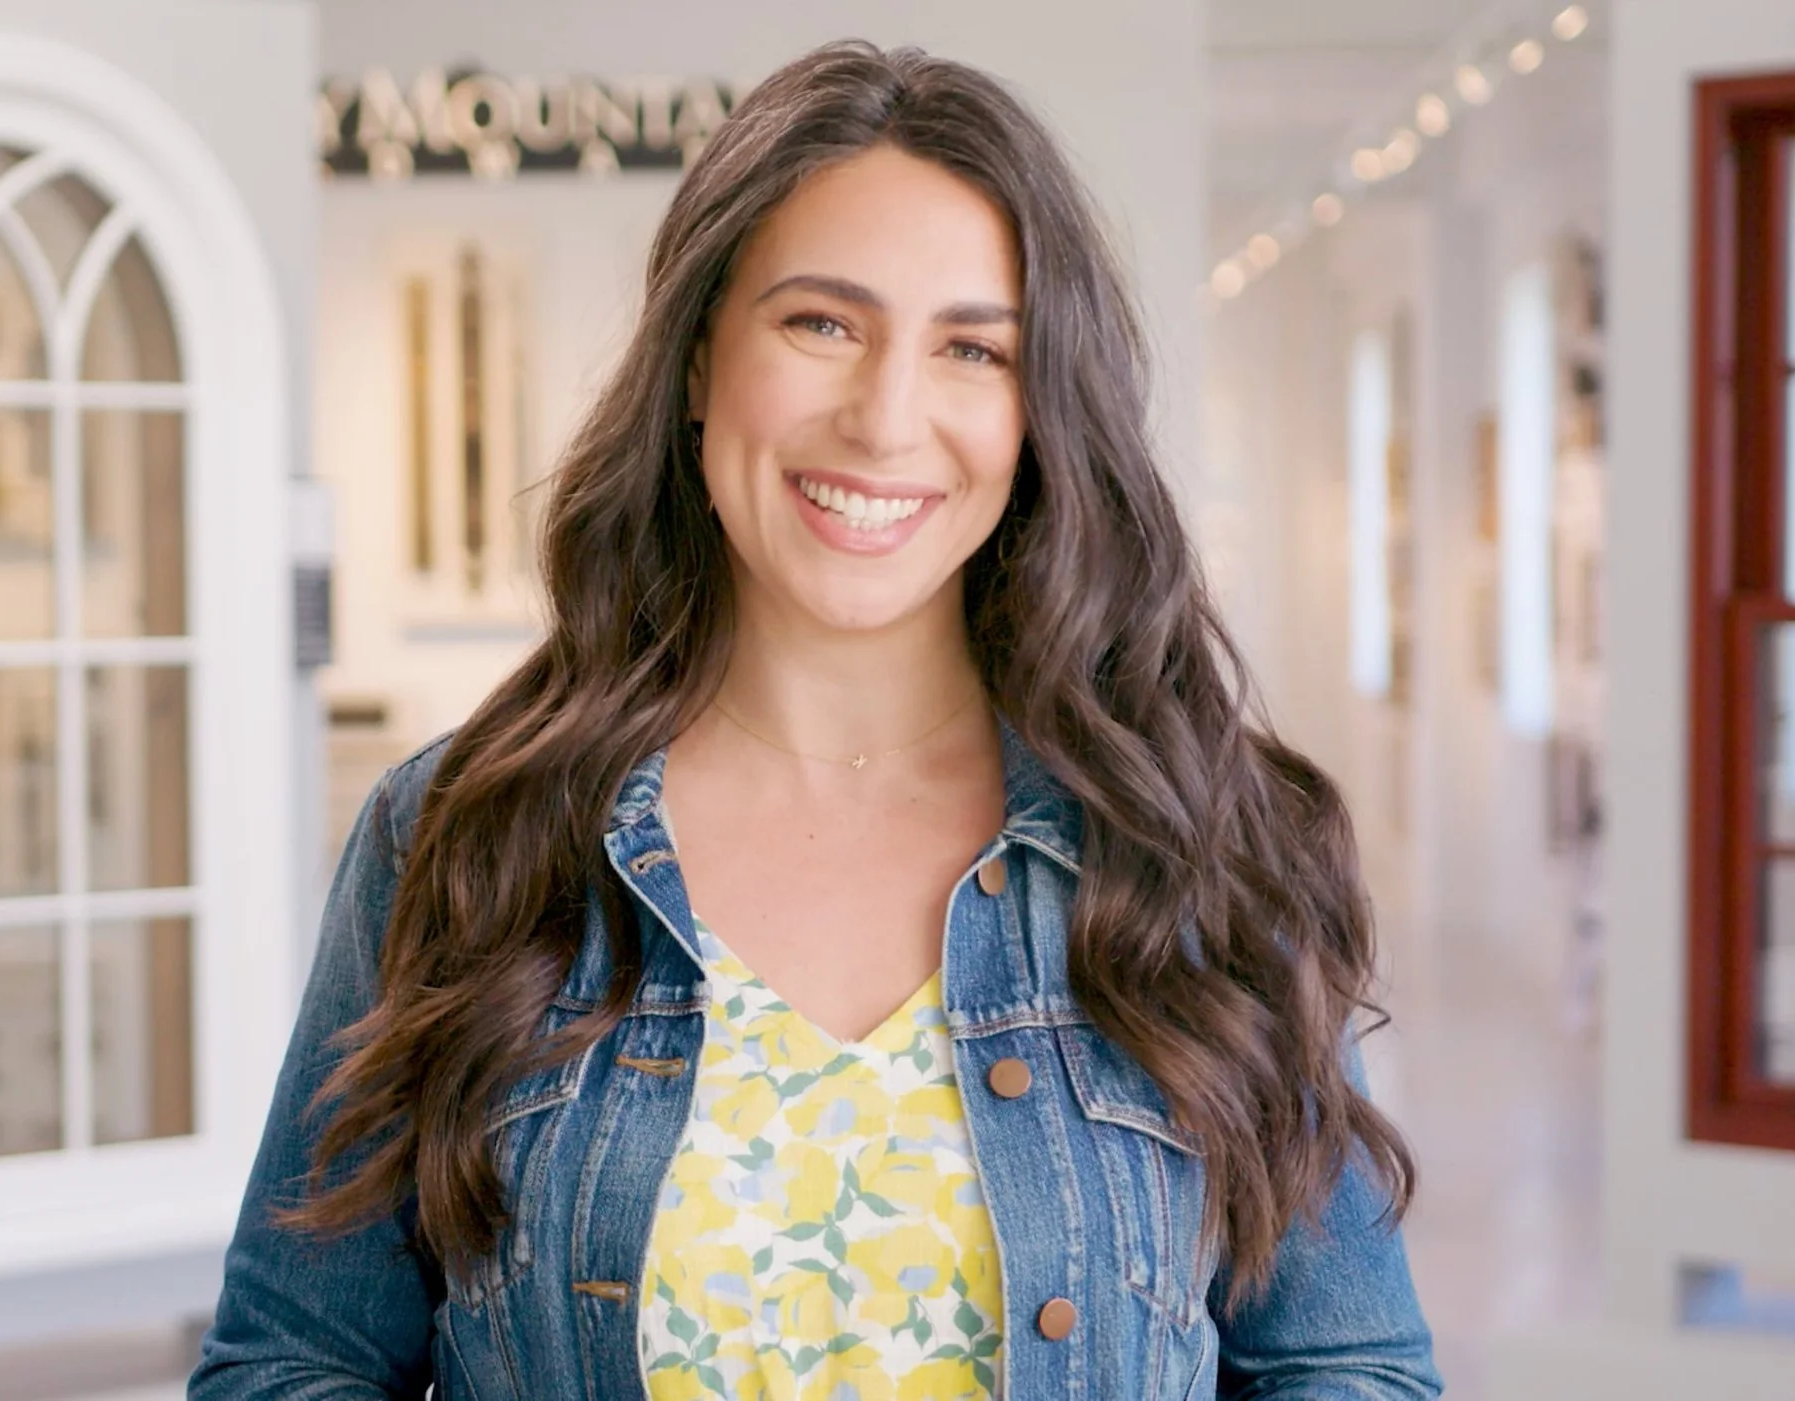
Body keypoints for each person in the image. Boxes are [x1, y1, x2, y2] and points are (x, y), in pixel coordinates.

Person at [192, 39, 1438, 1401]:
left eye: (972, 348)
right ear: (694, 362)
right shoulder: (460, 837)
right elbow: (290, 1364)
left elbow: (1350, 1366)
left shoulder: (1207, 844)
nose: (886, 416)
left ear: (1039, 414)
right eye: (821, 324)